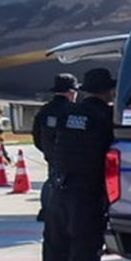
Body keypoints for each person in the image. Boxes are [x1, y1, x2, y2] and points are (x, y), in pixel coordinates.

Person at [35, 67, 116, 261]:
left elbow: (47, 143)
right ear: (106, 91)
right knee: (85, 252)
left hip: (59, 189)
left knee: (54, 249)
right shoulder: (105, 117)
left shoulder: (67, 114)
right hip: (87, 193)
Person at [31, 73, 78, 224]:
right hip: (69, 156)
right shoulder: (72, 110)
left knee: (52, 179)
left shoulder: (45, 110)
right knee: (63, 184)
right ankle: (54, 211)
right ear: (71, 93)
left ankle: (47, 210)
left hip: (51, 153)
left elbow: (36, 135)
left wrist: (47, 150)